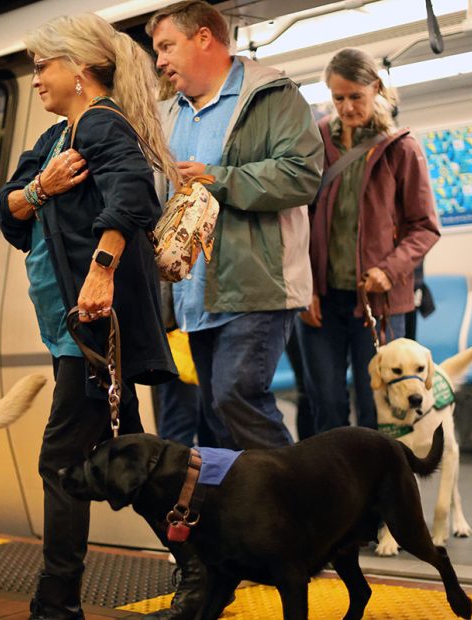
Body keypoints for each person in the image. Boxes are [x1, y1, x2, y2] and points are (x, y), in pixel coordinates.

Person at [0, 15, 177, 620]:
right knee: (133, 457)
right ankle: (207, 560)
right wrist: (39, 189)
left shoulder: (99, 123)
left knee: (61, 461)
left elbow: (132, 194)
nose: (36, 77)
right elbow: (9, 209)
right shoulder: (53, 142)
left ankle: (57, 602)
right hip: (72, 328)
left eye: (43, 65)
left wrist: (102, 268)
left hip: (96, 328)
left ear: (79, 68)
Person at [145, 2, 323, 617]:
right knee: (217, 432)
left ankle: (307, 518)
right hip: (194, 293)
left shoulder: (272, 96)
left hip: (257, 284)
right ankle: (245, 547)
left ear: (204, 39)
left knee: (234, 397)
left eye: (166, 47)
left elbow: (303, 174)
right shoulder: (168, 116)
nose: (160, 61)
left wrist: (219, 177)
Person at [296, 48, 440, 434]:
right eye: (338, 97)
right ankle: (339, 491)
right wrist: (303, 285)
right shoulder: (313, 143)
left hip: (380, 303)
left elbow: (425, 227)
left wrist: (389, 272)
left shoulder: (401, 148)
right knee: (324, 404)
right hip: (320, 301)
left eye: (355, 96)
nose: (346, 106)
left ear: (375, 88)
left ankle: (380, 492)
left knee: (378, 407)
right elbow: (295, 220)